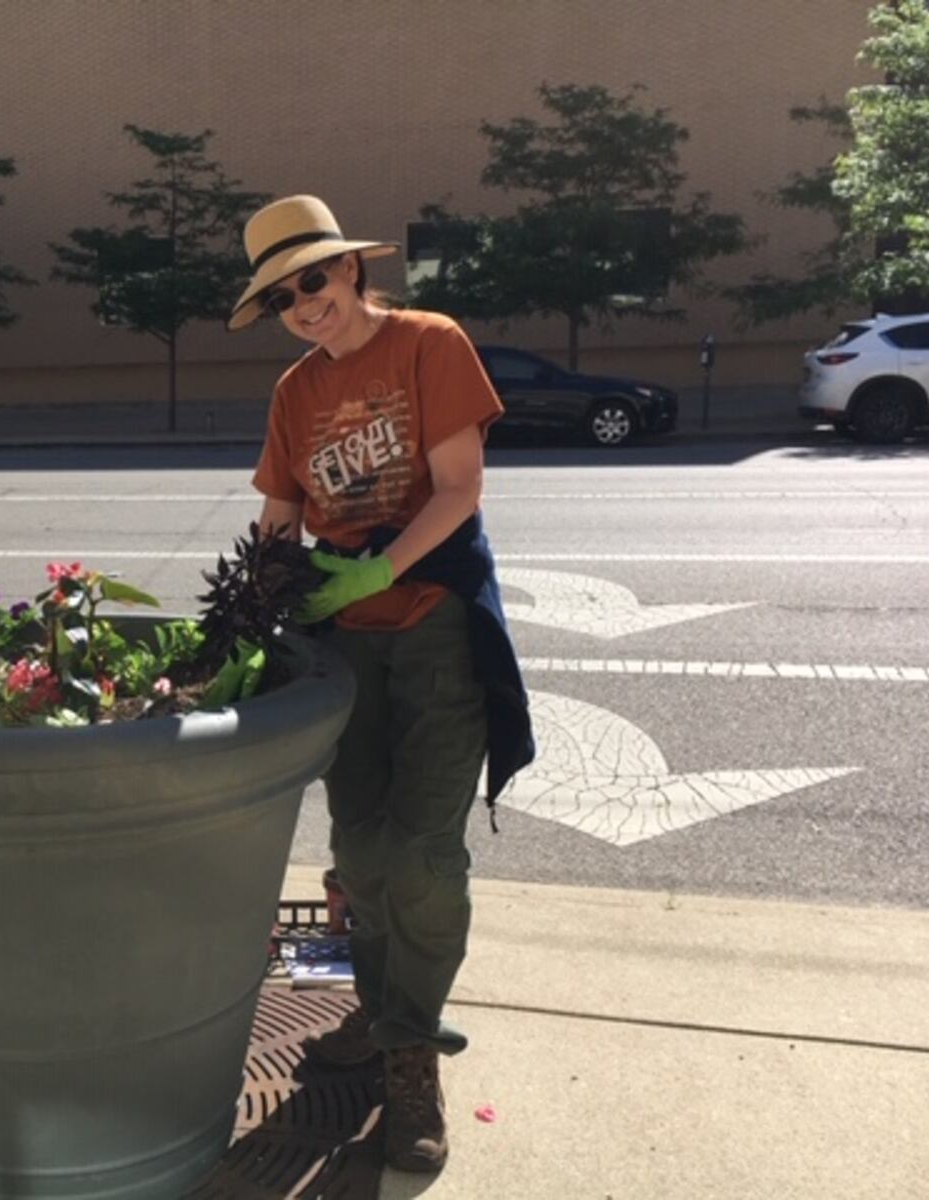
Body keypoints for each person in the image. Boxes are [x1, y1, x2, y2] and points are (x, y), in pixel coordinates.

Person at [229, 195, 533, 1172]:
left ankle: (411, 1051)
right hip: (341, 643)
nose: (303, 304)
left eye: (311, 280)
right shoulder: (292, 394)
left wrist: (381, 567)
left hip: (435, 622)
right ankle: (379, 1008)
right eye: (282, 296)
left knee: (423, 856)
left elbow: (460, 487)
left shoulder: (427, 344)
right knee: (358, 847)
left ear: (350, 270)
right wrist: (258, 613)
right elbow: (280, 517)